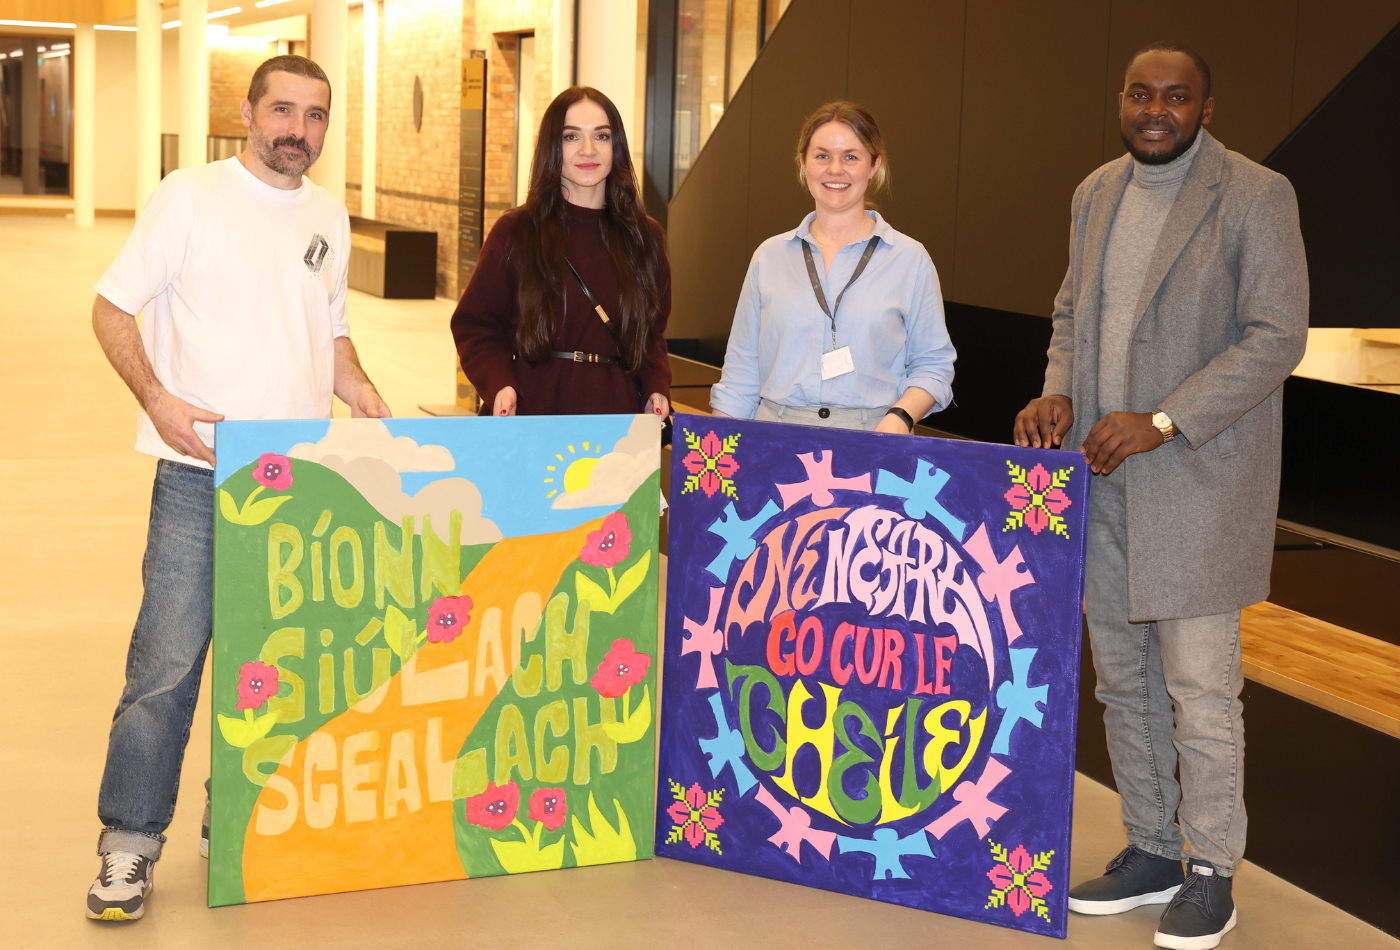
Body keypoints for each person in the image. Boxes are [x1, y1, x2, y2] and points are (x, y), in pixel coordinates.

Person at [1014, 43, 1307, 950]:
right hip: (1102, 481)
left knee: (1201, 689)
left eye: (1175, 97)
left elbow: (1277, 336)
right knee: (1124, 683)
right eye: (1141, 93)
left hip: (1197, 485)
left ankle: (1212, 869)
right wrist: (1058, 390)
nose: (1156, 109)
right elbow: (1072, 312)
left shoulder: (1256, 195)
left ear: (1205, 109)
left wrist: (1167, 419)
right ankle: (1150, 849)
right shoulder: (1095, 192)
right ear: (1122, 101)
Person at [86, 55, 390, 921]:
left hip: (297, 479)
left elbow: (329, 332)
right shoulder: (190, 197)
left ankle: (238, 815)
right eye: (283, 110)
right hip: (200, 473)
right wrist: (156, 397)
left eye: (316, 115)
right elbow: (111, 306)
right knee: (166, 664)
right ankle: (129, 842)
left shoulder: (326, 214)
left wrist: (360, 388)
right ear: (249, 113)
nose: (299, 130)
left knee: (276, 661)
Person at [708, 101, 954, 433]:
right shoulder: (769, 257)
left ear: (875, 165)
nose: (835, 169)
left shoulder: (910, 259)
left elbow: (934, 366)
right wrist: (717, 449)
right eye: (822, 156)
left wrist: (900, 418)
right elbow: (740, 373)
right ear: (803, 163)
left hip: (874, 437)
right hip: (776, 436)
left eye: (851, 157)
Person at [452, 86, 671, 418]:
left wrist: (656, 387)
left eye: (601, 136)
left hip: (618, 421)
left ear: (617, 147)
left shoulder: (645, 237)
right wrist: (500, 385)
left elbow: (652, 334)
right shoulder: (516, 231)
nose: (588, 149)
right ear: (552, 147)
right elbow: (475, 325)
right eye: (571, 137)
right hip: (532, 413)